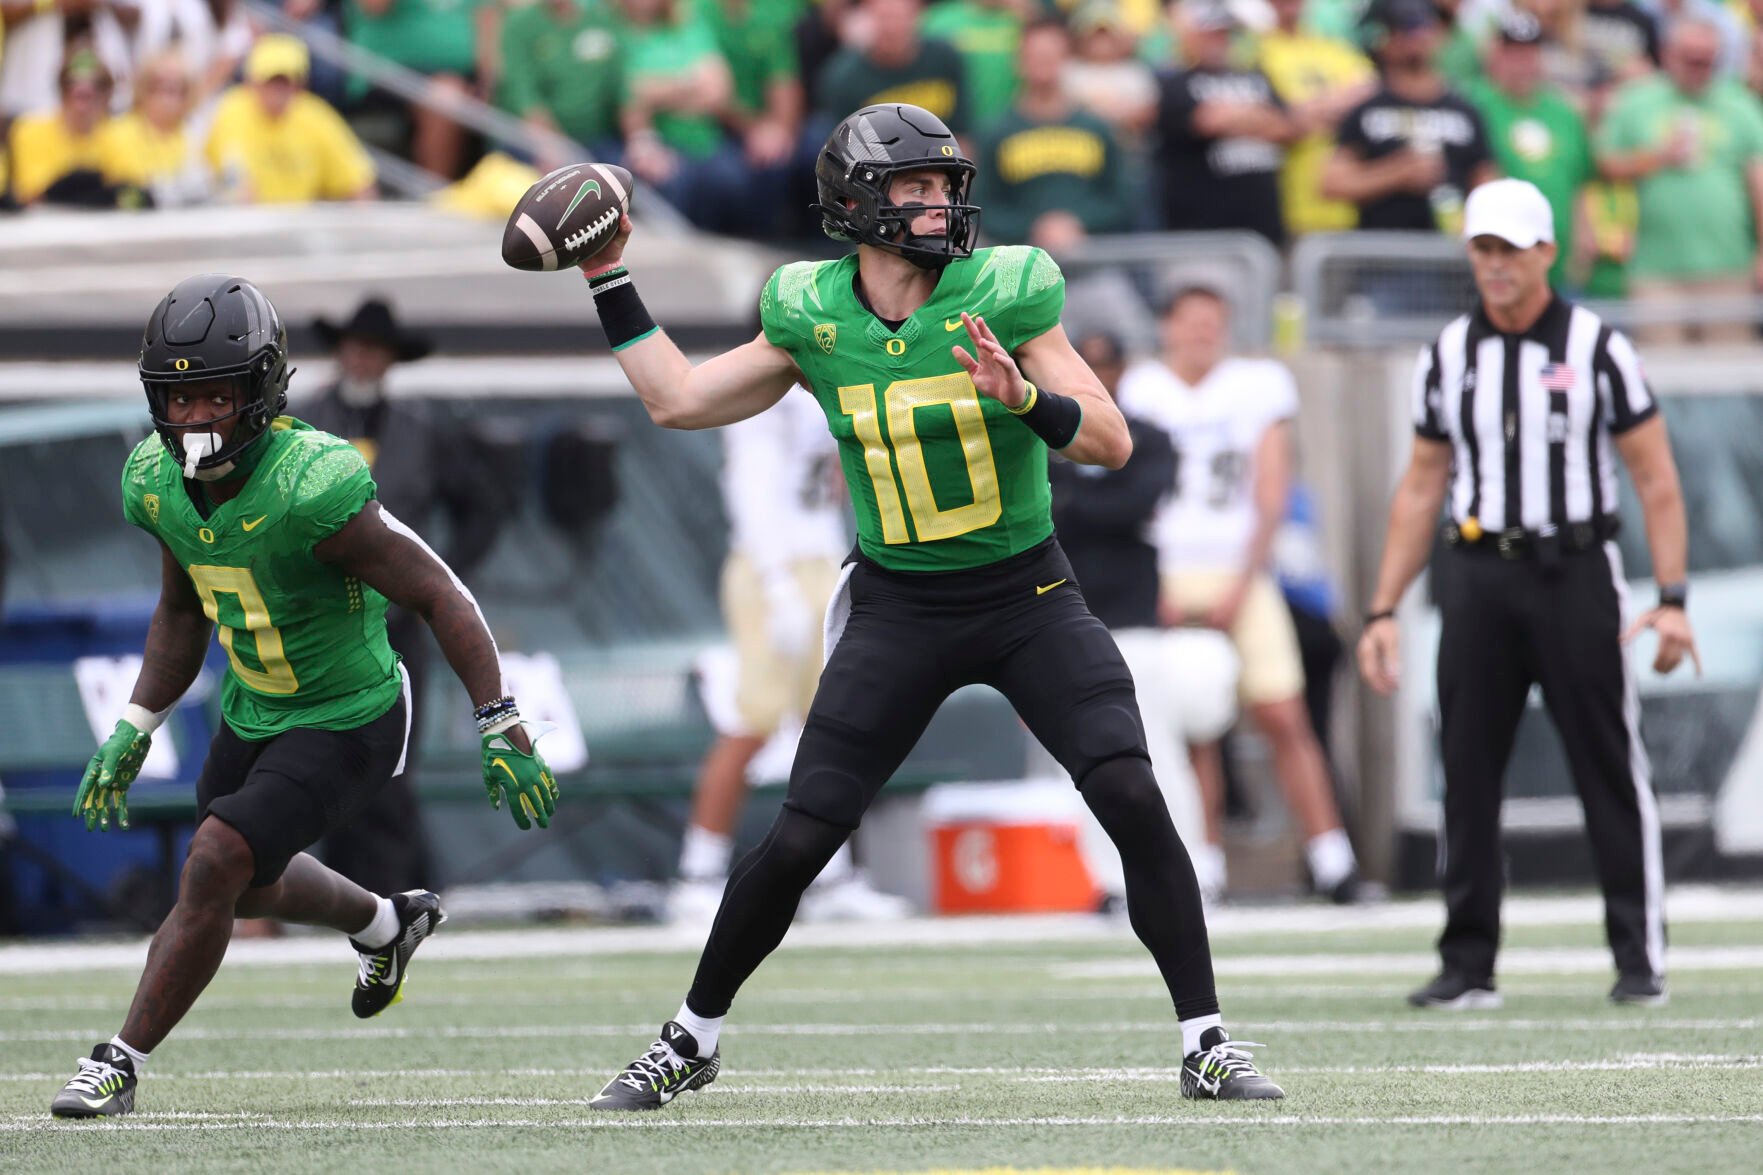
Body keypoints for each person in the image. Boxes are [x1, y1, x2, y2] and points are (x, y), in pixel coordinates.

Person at [567, 102, 1283, 1107]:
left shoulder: (1007, 290)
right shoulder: (809, 312)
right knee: (803, 832)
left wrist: (1025, 398)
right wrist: (608, 277)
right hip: (899, 604)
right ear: (857, 203)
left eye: (946, 184)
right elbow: (675, 398)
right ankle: (689, 1035)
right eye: (915, 187)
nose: (940, 203)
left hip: (1025, 588)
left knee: (1126, 785)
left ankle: (1205, 1038)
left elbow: (1111, 440)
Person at [48, 273, 558, 1119]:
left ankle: (118, 1059)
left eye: (215, 394)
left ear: (259, 392)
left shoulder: (314, 481)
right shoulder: (152, 477)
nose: (195, 418)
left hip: (350, 713)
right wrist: (135, 724)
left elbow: (441, 592)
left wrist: (498, 718)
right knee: (244, 884)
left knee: (212, 860)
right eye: (177, 398)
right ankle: (385, 926)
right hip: (254, 706)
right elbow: (181, 608)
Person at [1358, 178, 1698, 1010]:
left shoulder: (1597, 346)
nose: (1496, 264)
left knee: (1606, 763)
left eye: (1510, 248)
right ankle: (1467, 961)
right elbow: (1420, 484)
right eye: (1482, 248)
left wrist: (1673, 594)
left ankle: (1637, 954)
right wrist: (1381, 608)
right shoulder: (1446, 353)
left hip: (1574, 570)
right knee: (1466, 767)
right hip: (1476, 573)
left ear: (1546, 251)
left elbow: (1654, 478)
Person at [1118, 285, 1364, 904]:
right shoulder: (1142, 390)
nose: (1203, 334)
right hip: (1167, 573)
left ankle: (1333, 858)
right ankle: (1203, 866)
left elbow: (1272, 492)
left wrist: (1244, 576)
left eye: (1214, 323)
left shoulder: (1257, 385)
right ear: (1167, 325)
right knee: (1193, 721)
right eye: (1192, 322)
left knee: (1284, 712)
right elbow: (1127, 491)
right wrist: (1148, 581)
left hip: (1241, 571)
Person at [672, 388, 910, 925]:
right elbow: (749, 486)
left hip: (818, 559)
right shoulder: (764, 394)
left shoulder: (829, 380)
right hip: (768, 566)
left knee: (829, 724)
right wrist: (777, 582)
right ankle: (698, 873)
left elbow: (837, 482)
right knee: (751, 722)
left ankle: (832, 878)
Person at [297, 296, 500, 898]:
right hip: (319, 623)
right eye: (355, 347)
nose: (363, 359)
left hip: (396, 626)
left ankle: (389, 895)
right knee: (320, 756)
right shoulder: (302, 425)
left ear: (390, 361)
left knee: (392, 761)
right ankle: (332, 894)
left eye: (375, 350)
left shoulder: (423, 431)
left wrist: (438, 581)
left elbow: (482, 510)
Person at [1048, 330, 1229, 902]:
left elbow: (1128, 503)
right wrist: (1085, 504)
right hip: (1063, 614)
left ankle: (1193, 866)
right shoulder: (1043, 437)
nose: (1098, 373)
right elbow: (1056, 509)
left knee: (1156, 748)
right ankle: (1105, 881)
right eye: (1088, 363)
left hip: (1133, 616)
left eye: (1107, 364)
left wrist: (1074, 500)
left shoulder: (1147, 438)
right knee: (1077, 758)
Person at [1595, 17, 1763, 344]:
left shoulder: (1741, 105)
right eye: (1691, 58)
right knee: (1662, 372)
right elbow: (1605, 165)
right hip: (1656, 269)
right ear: (1668, 54)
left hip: (1728, 264)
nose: (1699, 67)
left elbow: (1758, 182)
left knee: (1728, 375)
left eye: (1707, 60)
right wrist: (1656, 157)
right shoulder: (1636, 100)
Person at [972, 16, 1134, 250]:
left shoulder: (1097, 127)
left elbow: (1121, 198)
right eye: (1035, 56)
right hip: (1021, 264)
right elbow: (984, 206)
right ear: (1018, 61)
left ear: (1067, 60)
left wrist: (1079, 223)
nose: (1043, 64)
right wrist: (1033, 228)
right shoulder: (996, 132)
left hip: (1094, 258)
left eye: (1051, 56)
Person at [1466, 13, 1596, 292]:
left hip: (1557, 258)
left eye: (1528, 53)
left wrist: (1585, 234)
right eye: (1512, 52)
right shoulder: (1474, 105)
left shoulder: (1564, 112)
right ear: (1496, 54)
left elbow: (1578, 181)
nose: (1521, 62)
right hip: (1501, 263)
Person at [1153, 0, 1294, 245]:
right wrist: (1259, 117)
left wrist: (1233, 116)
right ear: (1193, 35)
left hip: (1263, 227)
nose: (1220, 40)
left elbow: (1287, 126)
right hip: (1201, 230)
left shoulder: (1257, 76)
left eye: (1225, 33)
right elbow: (1207, 121)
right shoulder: (1176, 84)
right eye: (1212, 33)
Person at [205, 34, 377, 204]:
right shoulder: (231, 111)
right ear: (252, 82)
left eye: (286, 81)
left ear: (300, 85)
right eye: (271, 81)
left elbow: (360, 183)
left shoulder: (315, 115)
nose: (278, 89)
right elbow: (223, 177)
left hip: (297, 225)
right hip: (245, 223)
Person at [1254, 0, 1378, 237]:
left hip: (1348, 211)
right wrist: (1337, 102)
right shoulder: (1257, 50)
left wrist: (1309, 110)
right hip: (1291, 210)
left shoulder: (1333, 48)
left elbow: (1370, 93)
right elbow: (1281, 122)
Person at [815, 0, 969, 131]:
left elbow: (963, 131)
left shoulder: (944, 58)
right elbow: (844, 145)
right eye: (883, 18)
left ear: (918, 16)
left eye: (898, 18)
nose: (891, 28)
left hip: (942, 156)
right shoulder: (843, 76)